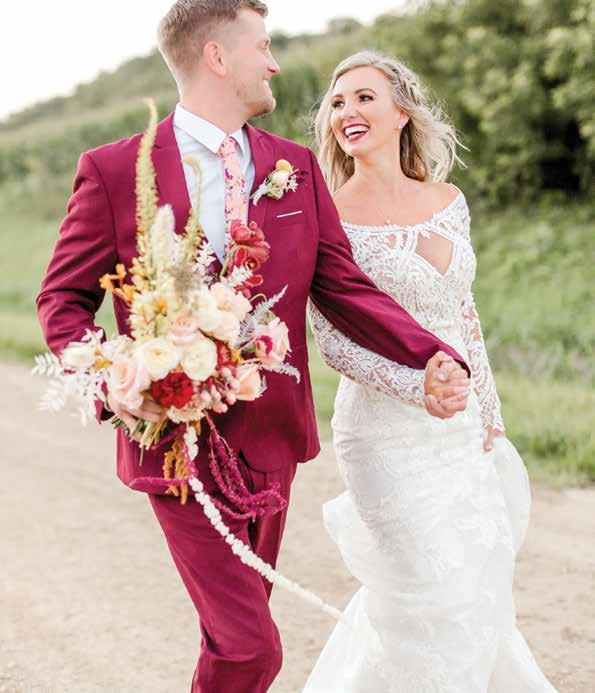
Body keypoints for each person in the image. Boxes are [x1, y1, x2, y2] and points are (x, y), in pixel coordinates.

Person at [36, 3, 471, 692]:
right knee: (250, 650)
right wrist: (113, 377)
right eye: (262, 46)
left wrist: (428, 353)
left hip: (270, 442)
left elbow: (345, 288)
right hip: (174, 443)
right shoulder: (116, 170)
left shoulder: (295, 167)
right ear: (218, 57)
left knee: (233, 640)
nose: (273, 62)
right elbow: (61, 299)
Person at [303, 50, 558, 692]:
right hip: (383, 434)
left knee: (473, 589)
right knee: (424, 590)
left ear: (402, 113)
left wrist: (489, 417)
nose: (347, 111)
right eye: (337, 103)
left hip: (460, 429)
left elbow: (464, 316)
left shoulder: (449, 200)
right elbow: (332, 340)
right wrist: (418, 387)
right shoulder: (327, 214)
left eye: (364, 97)